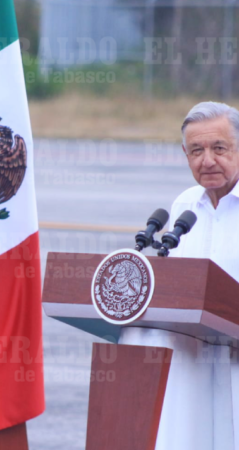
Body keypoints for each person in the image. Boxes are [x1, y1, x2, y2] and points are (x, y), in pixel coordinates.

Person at [120, 101, 239, 450]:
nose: (207, 161)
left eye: (219, 148)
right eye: (196, 150)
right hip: (194, 369)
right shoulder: (185, 205)